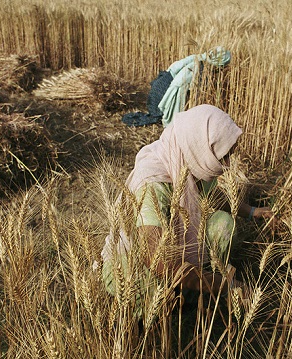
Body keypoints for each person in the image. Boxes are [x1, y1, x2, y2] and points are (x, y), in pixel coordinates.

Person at [102, 104, 273, 313]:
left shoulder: (192, 159)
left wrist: (252, 211)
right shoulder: (152, 185)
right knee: (156, 292)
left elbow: (213, 196)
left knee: (223, 225)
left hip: (172, 248)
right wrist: (225, 285)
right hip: (133, 261)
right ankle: (180, 299)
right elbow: (158, 262)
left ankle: (193, 289)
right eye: (224, 156)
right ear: (202, 148)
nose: (228, 165)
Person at [121, 47, 232, 127]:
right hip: (162, 96)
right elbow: (184, 89)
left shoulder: (197, 58)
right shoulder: (199, 68)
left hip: (159, 86)